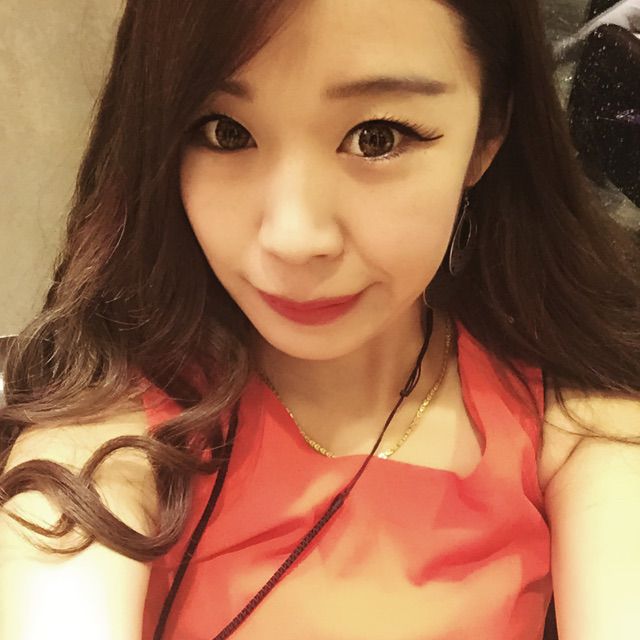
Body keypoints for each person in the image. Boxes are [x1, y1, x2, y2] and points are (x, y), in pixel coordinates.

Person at [1, 1, 639, 639]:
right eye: (225, 132)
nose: (294, 238)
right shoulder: (115, 426)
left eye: (377, 137)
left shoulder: (571, 416)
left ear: (486, 136)